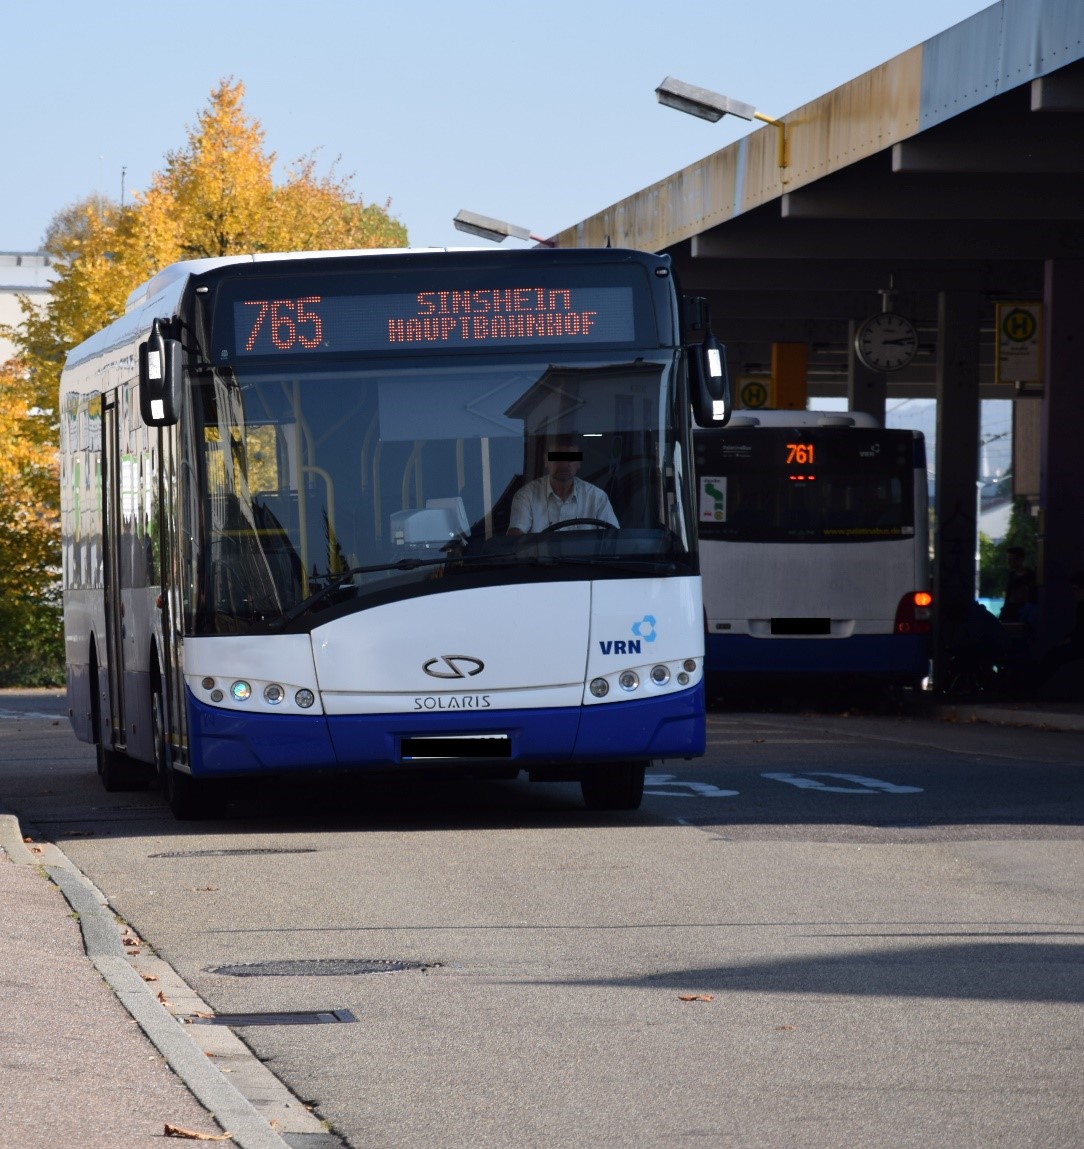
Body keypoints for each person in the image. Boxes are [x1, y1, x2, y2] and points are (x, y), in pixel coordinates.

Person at [507, 437, 619, 536]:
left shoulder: (597, 498)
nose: (564, 465)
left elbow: (613, 540)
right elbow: (515, 540)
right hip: (540, 560)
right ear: (546, 461)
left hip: (586, 560)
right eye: (557, 458)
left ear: (579, 462)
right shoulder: (526, 496)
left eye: (570, 458)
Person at [999, 546, 1037, 624]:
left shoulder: (1031, 576)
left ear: (1020, 559)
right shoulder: (1011, 576)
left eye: (1011, 559)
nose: (1008, 562)